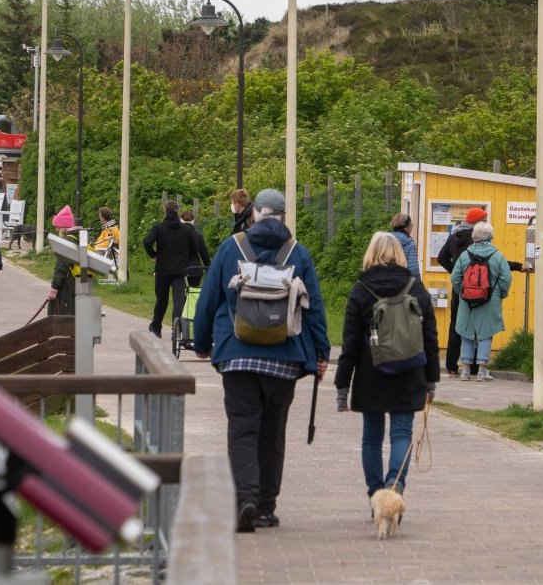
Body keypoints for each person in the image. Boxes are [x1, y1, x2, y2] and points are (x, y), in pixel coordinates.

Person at [192, 188, 330, 532]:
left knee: (242, 429)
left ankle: (244, 500)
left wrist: (202, 342)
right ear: (283, 216)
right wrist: (322, 353)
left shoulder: (231, 247)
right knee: (272, 431)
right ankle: (266, 507)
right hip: (284, 357)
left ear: (254, 213)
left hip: (237, 354)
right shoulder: (298, 253)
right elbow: (313, 309)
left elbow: (209, 298)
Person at [335, 231, 439, 502]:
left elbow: (350, 343)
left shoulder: (361, 290)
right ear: (400, 254)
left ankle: (375, 495)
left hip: (371, 372)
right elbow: (430, 338)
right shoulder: (416, 288)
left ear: (371, 254)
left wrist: (342, 385)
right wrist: (431, 380)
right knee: (402, 433)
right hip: (410, 370)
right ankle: (394, 486)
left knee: (371, 436)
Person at [450, 219, 512, 382]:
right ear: (489, 237)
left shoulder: (465, 255)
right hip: (490, 299)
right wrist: (500, 294)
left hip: (467, 299)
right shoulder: (497, 256)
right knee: (486, 333)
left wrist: (462, 291)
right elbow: (506, 277)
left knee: (466, 332)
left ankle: (465, 370)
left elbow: (455, 277)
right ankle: (482, 370)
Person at [142, 200, 209, 338]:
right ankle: (177, 327)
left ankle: (156, 326)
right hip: (180, 270)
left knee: (161, 299)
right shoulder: (185, 229)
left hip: (162, 270)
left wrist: (154, 254)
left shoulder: (159, 228)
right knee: (179, 299)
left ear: (164, 210)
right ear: (177, 211)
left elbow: (147, 241)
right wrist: (185, 255)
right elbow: (195, 248)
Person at [437, 206, 485, 377]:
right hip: (476, 289)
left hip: (459, 288)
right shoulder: (477, 240)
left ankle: (451, 366)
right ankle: (472, 366)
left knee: (455, 325)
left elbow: (441, 258)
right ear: (478, 223)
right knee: (474, 326)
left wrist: (455, 272)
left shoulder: (453, 237)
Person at [46, 205, 80, 316]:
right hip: (80, 283)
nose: (56, 230)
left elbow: (61, 267)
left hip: (67, 285)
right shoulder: (79, 238)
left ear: (64, 227)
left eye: (57, 226)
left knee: (63, 315)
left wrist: (54, 288)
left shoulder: (66, 242)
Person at [389, 213, 420, 278]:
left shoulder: (385, 240)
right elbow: (414, 270)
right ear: (407, 227)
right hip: (402, 283)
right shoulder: (409, 243)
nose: (412, 227)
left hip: (384, 282)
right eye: (411, 224)